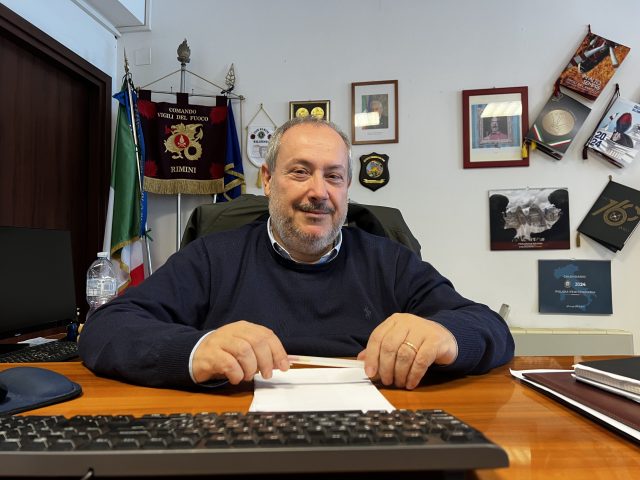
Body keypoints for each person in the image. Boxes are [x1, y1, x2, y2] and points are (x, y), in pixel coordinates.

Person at [79, 116, 514, 391]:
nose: (319, 192)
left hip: (367, 437)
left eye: (334, 177)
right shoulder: (213, 257)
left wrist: (445, 336)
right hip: (238, 438)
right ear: (268, 180)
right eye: (301, 172)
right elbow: (105, 329)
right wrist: (196, 349)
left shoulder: (391, 261)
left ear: (347, 188)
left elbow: (492, 329)